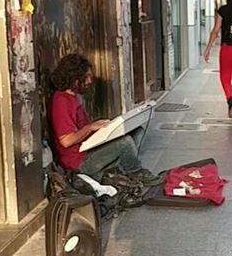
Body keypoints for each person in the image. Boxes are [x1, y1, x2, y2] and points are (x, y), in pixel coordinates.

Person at [49, 54, 161, 184]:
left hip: (88, 149)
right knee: (124, 143)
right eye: (86, 77)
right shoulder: (61, 101)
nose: (90, 81)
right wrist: (90, 127)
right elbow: (66, 141)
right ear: (74, 78)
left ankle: (118, 169)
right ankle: (136, 172)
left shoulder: (74, 97)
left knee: (137, 131)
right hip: (79, 163)